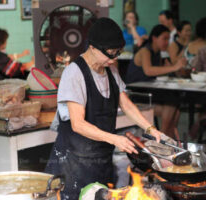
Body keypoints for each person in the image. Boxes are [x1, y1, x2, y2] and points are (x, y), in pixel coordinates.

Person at [45, 18, 172, 200]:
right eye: (110, 53)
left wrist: (150, 128)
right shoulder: (74, 73)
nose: (113, 60)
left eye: (117, 54)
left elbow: (125, 103)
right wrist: (114, 139)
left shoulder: (110, 70)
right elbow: (78, 124)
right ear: (93, 47)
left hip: (100, 160)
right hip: (74, 164)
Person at [125, 24, 187, 140]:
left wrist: (173, 68)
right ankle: (162, 140)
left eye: (168, 39)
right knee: (171, 104)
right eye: (164, 38)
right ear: (154, 38)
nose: (167, 42)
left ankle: (167, 141)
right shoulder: (145, 51)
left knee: (175, 106)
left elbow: (158, 73)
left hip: (149, 93)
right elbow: (149, 71)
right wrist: (173, 68)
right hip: (136, 95)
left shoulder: (157, 53)